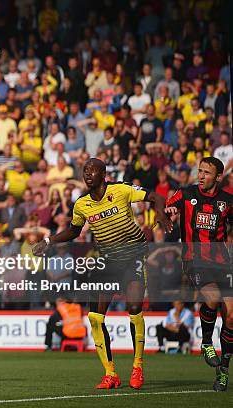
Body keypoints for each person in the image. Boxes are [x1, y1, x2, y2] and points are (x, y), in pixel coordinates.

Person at [34, 158, 171, 390]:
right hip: (108, 261)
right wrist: (49, 241)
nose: (87, 174)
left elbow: (156, 196)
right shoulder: (81, 204)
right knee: (95, 317)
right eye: (84, 170)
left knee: (135, 308)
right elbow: (74, 231)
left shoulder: (120, 189)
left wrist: (161, 213)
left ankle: (137, 366)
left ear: (103, 174)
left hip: (133, 256)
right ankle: (110, 374)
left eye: (92, 170)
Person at [165, 157, 232, 392]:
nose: (201, 175)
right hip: (195, 260)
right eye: (199, 171)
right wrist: (169, 211)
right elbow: (167, 206)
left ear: (218, 177)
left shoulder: (228, 201)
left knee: (232, 317)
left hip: (223, 263)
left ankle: (222, 372)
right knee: (212, 298)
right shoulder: (186, 193)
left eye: (206, 172)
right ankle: (206, 342)